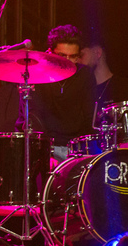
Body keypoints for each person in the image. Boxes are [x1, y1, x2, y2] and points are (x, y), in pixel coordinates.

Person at [30, 24, 96, 161]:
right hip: (46, 147)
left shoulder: (85, 75)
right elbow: (33, 118)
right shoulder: (37, 75)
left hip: (77, 149)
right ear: (50, 52)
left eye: (73, 57)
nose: (67, 61)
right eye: (62, 55)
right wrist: (45, 154)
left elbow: (90, 118)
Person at [80, 34, 128, 106]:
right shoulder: (84, 91)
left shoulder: (126, 88)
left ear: (97, 53)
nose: (78, 60)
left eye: (81, 55)